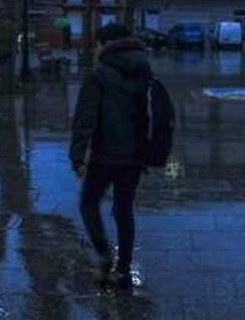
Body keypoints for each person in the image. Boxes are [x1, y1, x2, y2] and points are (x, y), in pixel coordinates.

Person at [70, 22, 152, 289]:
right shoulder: (143, 70)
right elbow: (146, 115)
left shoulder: (99, 74)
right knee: (124, 210)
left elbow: (85, 117)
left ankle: (105, 256)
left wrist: (77, 156)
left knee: (88, 203)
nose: (94, 48)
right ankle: (124, 270)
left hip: (105, 155)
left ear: (106, 45)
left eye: (97, 44)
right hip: (134, 156)